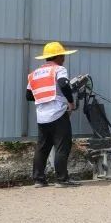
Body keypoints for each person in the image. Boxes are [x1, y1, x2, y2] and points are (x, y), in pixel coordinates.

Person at [25, 42, 79, 188]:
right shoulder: (59, 69)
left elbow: (28, 95)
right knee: (62, 146)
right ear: (58, 56)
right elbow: (63, 84)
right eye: (63, 56)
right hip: (58, 114)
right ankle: (62, 180)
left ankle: (39, 180)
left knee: (42, 147)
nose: (64, 59)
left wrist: (44, 99)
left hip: (42, 116)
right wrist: (70, 102)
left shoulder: (34, 74)